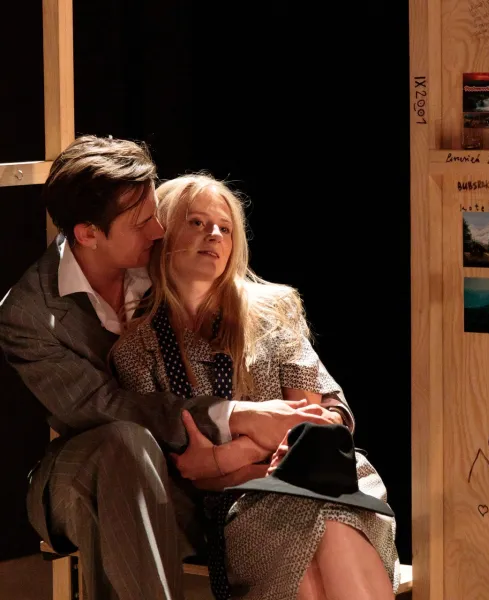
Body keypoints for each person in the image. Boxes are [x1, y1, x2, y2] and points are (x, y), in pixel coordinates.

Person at [0, 135, 345, 600]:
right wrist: (236, 416)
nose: (159, 229)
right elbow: (105, 408)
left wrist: (246, 449)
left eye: (156, 214)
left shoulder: (166, 262)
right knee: (126, 443)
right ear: (88, 234)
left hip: (200, 474)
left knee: (312, 527)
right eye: (142, 222)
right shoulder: (28, 314)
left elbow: (291, 365)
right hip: (91, 473)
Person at [111, 173, 401, 599]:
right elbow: (187, 470)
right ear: (164, 231)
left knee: (331, 521)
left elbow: (311, 430)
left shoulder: (272, 311)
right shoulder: (136, 349)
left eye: (225, 228)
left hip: (327, 483)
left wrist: (228, 455)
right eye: (197, 222)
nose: (214, 234)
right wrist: (242, 458)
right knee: (304, 555)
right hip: (242, 503)